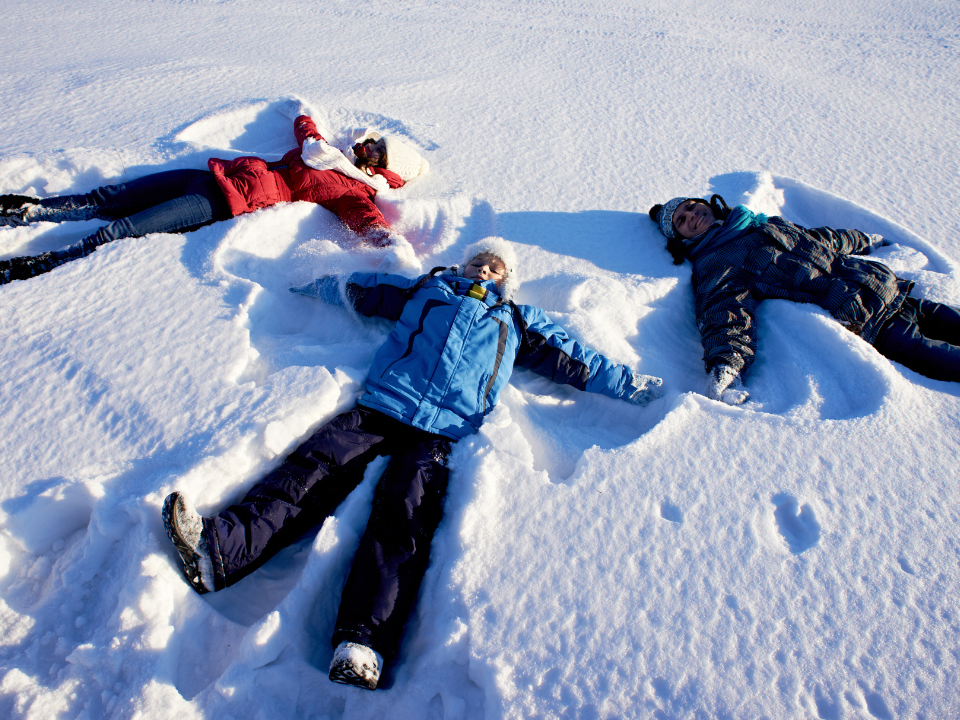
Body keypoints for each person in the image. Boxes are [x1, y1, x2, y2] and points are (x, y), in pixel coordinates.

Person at [161, 237, 663, 690]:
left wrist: (634, 387)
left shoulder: (514, 321)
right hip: (383, 405)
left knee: (403, 520)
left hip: (442, 433)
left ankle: (362, 644)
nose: (484, 271)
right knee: (312, 470)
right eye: (478, 262)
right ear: (462, 265)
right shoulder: (428, 290)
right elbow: (363, 289)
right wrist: (310, 283)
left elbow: (579, 359)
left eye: (495, 268)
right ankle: (220, 549)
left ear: (508, 279)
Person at [0, 101, 428, 284]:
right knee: (105, 197)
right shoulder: (329, 152)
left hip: (220, 201)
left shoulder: (353, 192)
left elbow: (367, 223)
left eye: (376, 149)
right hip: (210, 176)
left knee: (119, 230)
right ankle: (27, 212)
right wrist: (301, 111)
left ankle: (41, 264)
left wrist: (391, 246)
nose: (366, 145)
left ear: (384, 170)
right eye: (372, 140)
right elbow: (307, 130)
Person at [649, 194, 960, 404]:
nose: (692, 215)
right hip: (874, 323)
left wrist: (864, 240)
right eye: (681, 220)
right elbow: (725, 311)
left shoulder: (760, 222)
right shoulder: (716, 262)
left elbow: (822, 239)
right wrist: (727, 365)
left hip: (891, 289)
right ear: (681, 239)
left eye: (691, 206)